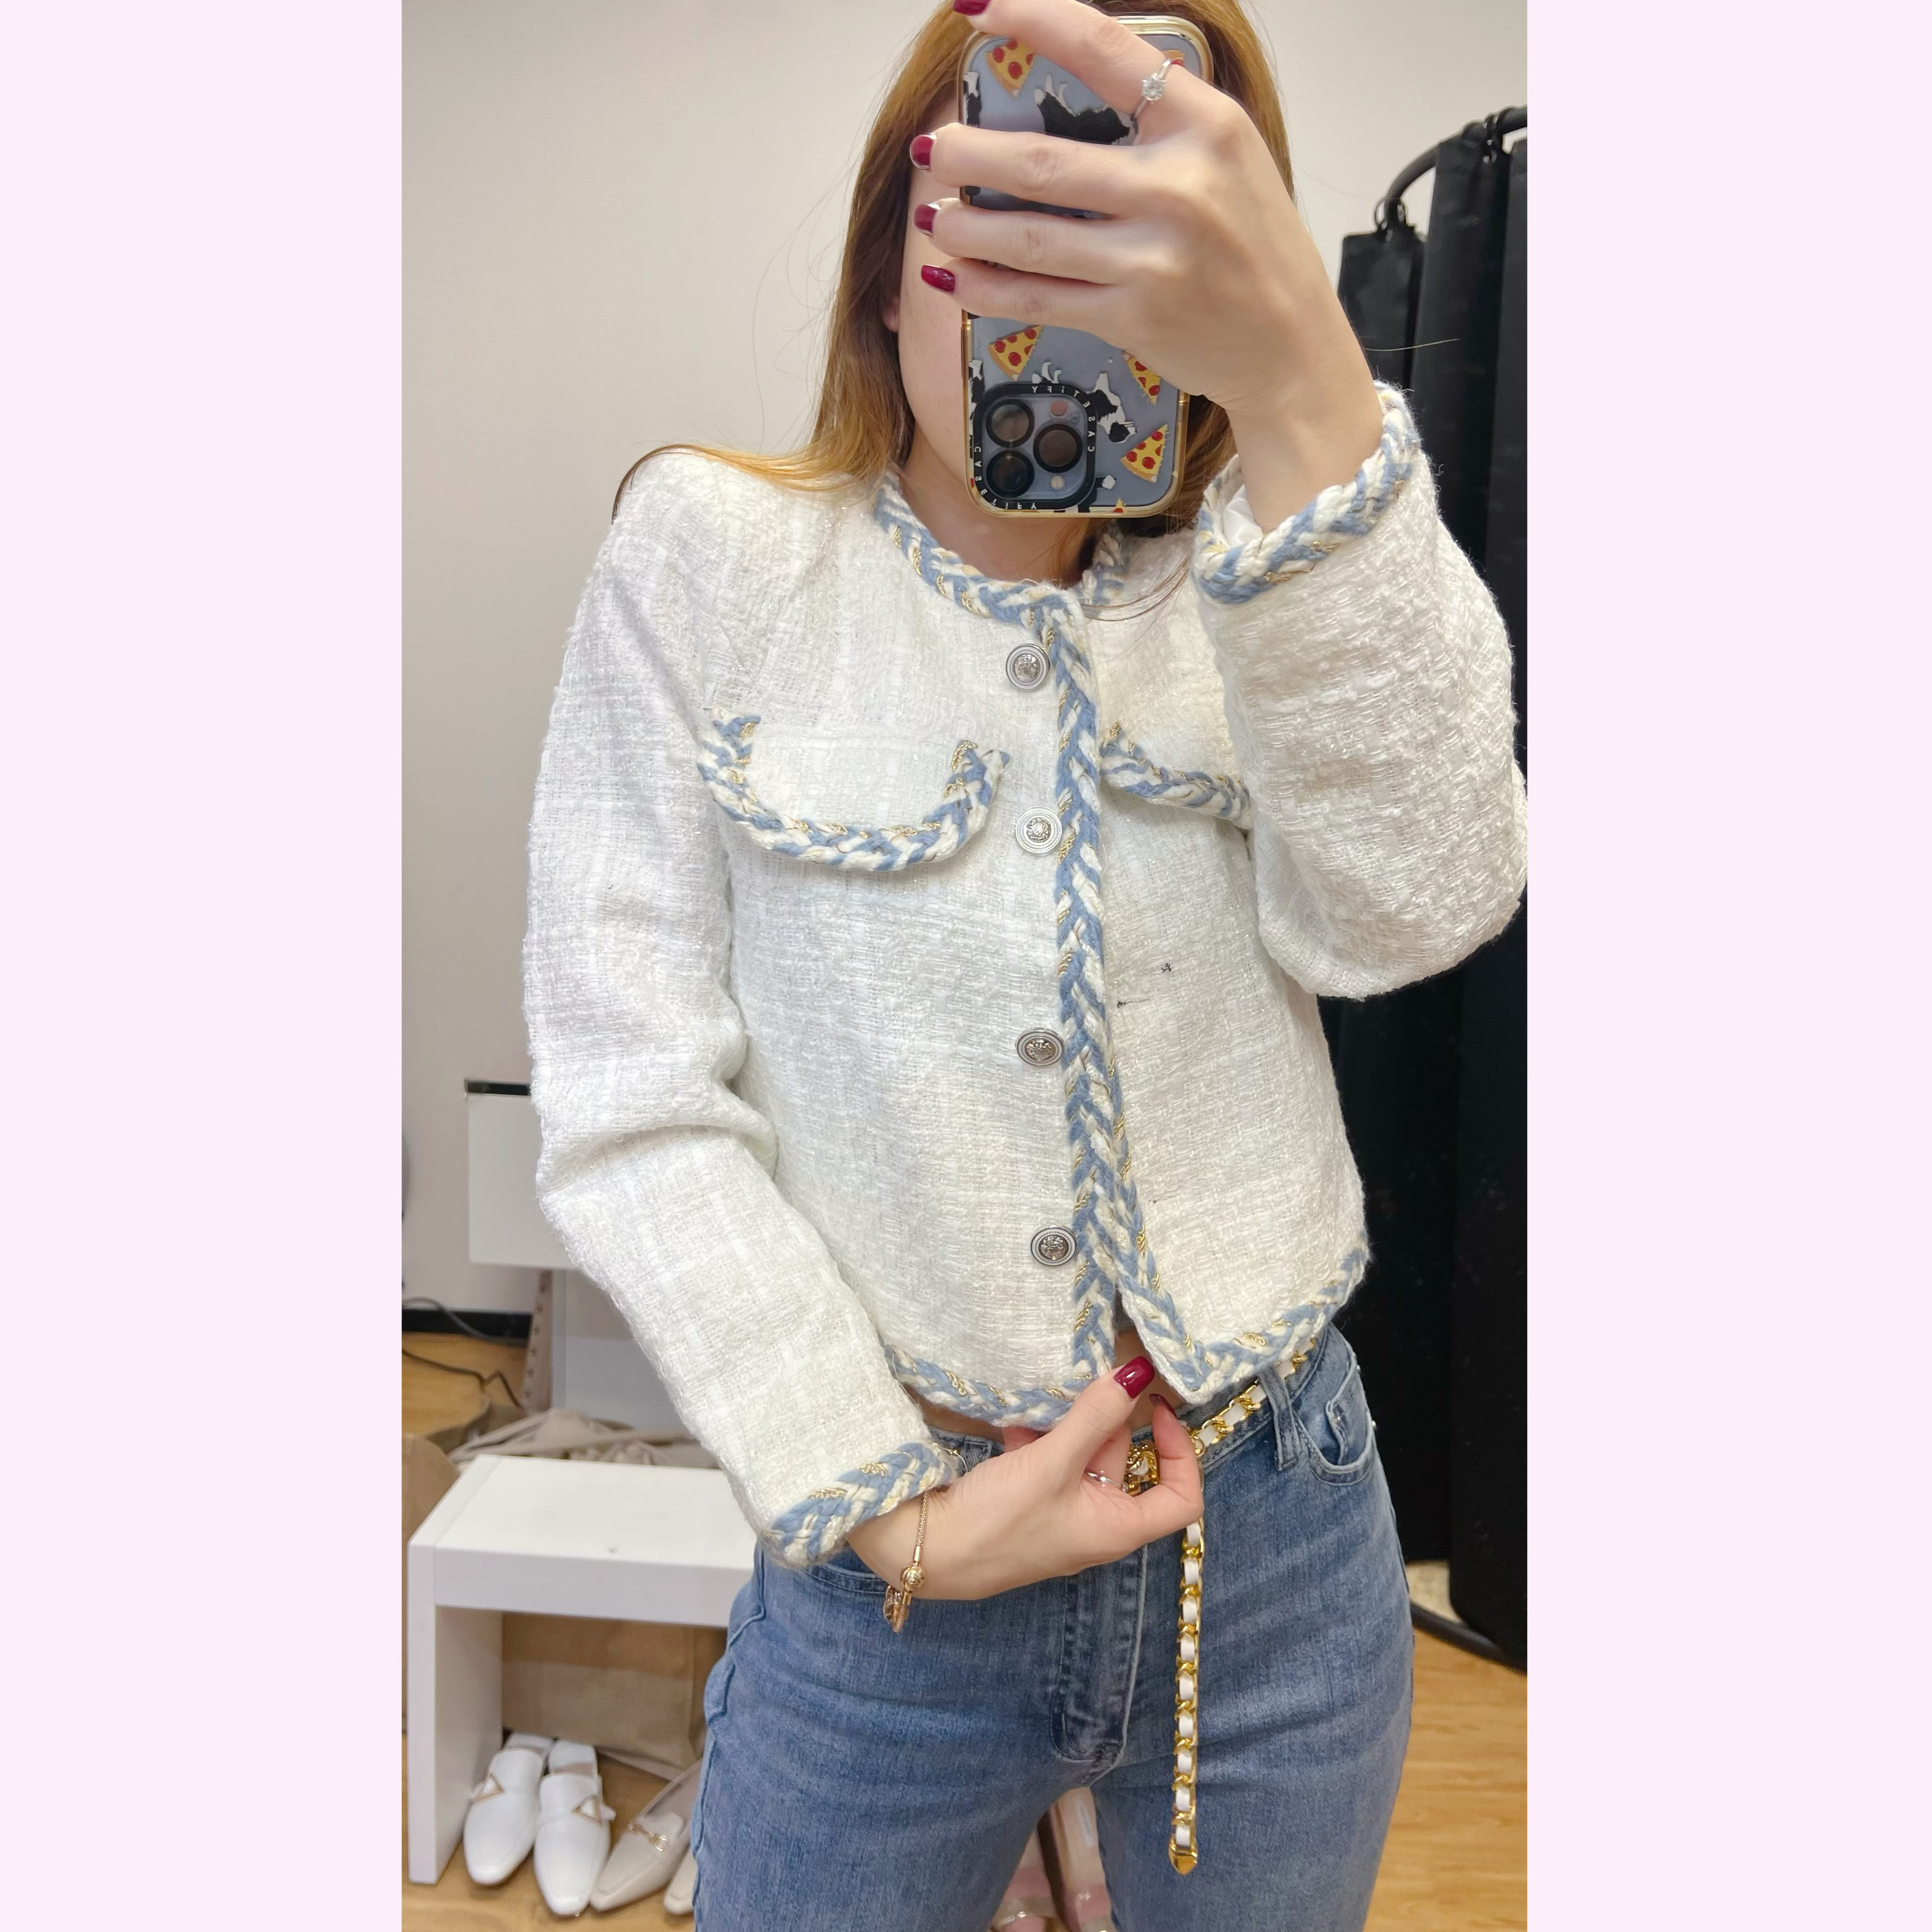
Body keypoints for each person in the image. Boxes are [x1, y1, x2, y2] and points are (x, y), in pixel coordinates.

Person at [523, 2, 1526, 1926]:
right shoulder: (712, 560)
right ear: (889, 240)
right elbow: (630, 1087)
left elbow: (1416, 907)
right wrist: (887, 1507)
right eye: (1008, 205)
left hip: (1275, 1552)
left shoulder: (1278, 583)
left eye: (1137, 226)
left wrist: (1311, 392)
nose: (1064, 277)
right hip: (888, 1584)